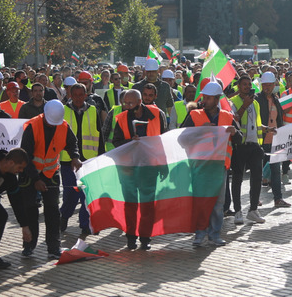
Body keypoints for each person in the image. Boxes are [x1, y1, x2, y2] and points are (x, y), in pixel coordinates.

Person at [18, 100, 81, 259]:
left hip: (51, 173)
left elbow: (72, 143)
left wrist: (75, 157)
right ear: (44, 114)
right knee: (30, 210)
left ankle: (54, 248)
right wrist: (35, 179)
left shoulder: (63, 125)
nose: (53, 126)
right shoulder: (33, 127)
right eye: (50, 122)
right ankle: (29, 246)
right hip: (29, 174)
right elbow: (25, 156)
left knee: (52, 211)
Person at [181, 81, 240, 247]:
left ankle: (214, 235)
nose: (204, 100)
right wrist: (200, 130)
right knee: (200, 201)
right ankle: (199, 235)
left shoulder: (227, 116)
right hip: (199, 166)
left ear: (216, 99)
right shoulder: (194, 115)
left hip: (219, 166)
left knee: (218, 202)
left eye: (207, 98)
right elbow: (182, 138)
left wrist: (235, 132)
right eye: (204, 97)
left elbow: (239, 138)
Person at [111, 89, 169, 250]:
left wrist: (164, 165)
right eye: (125, 103)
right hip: (129, 168)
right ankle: (131, 238)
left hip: (149, 167)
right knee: (130, 204)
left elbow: (164, 140)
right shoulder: (122, 118)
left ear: (139, 102)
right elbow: (116, 141)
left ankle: (145, 238)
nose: (126, 106)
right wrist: (130, 141)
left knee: (147, 204)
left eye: (130, 103)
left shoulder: (157, 114)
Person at [59, 83, 102, 240]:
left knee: (86, 194)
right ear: (70, 95)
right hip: (67, 160)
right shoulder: (63, 111)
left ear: (86, 95)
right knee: (71, 193)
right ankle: (64, 216)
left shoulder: (93, 110)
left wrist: (100, 156)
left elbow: (100, 135)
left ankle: (85, 225)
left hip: (88, 160)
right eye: (75, 95)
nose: (78, 98)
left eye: (81, 95)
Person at [228, 76, 270, 225]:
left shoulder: (256, 103)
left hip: (254, 145)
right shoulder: (233, 102)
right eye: (244, 84)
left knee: (257, 177)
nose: (247, 87)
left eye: (249, 84)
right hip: (240, 146)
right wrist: (245, 105)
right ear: (238, 87)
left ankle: (253, 210)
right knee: (238, 179)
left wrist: (267, 129)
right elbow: (234, 120)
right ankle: (238, 211)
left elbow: (256, 124)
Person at [256, 72, 289, 209]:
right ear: (262, 85)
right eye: (265, 85)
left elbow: (279, 119)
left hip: (275, 141)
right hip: (261, 141)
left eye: (270, 85)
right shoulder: (256, 99)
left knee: (276, 171)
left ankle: (278, 198)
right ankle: (255, 198)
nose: (267, 87)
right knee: (257, 172)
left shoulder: (276, 99)